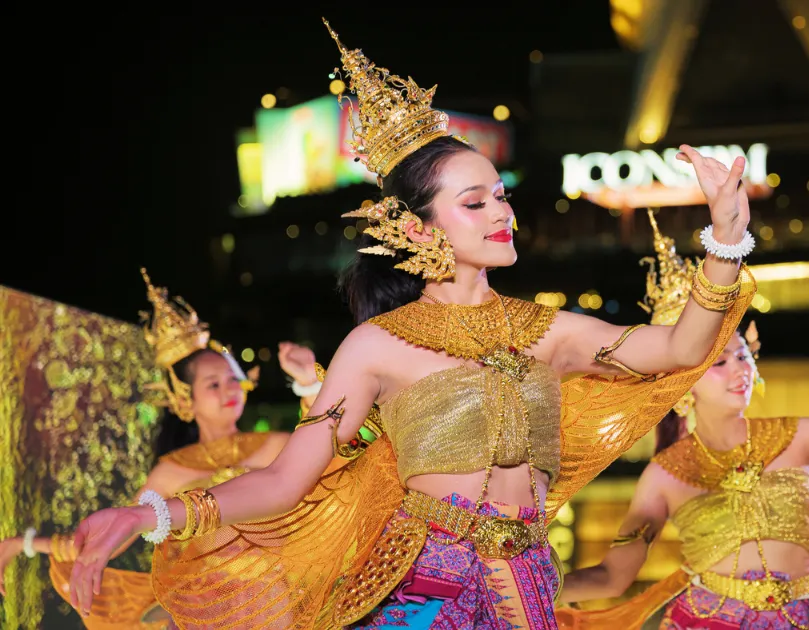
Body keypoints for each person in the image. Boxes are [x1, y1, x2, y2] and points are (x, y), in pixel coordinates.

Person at [64, 21, 760, 629]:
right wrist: (149, 514)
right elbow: (282, 482)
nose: (502, 212)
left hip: (530, 588)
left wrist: (726, 240)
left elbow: (681, 346)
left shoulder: (548, 332)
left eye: (501, 195)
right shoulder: (376, 346)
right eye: (475, 202)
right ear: (417, 228)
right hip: (425, 589)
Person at [554, 215, 809, 630]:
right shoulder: (664, 475)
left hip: (802, 621)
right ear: (682, 383)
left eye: (743, 356)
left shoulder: (797, 437)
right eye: (720, 362)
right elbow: (614, 576)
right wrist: (534, 586)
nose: (740, 370)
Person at [0, 270, 320, 629]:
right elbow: (111, 536)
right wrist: (25, 544)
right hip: (203, 610)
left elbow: (326, 453)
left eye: (233, 379)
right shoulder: (172, 470)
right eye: (213, 384)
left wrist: (308, 382)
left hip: (274, 599)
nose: (229, 390)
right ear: (186, 400)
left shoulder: (275, 446)